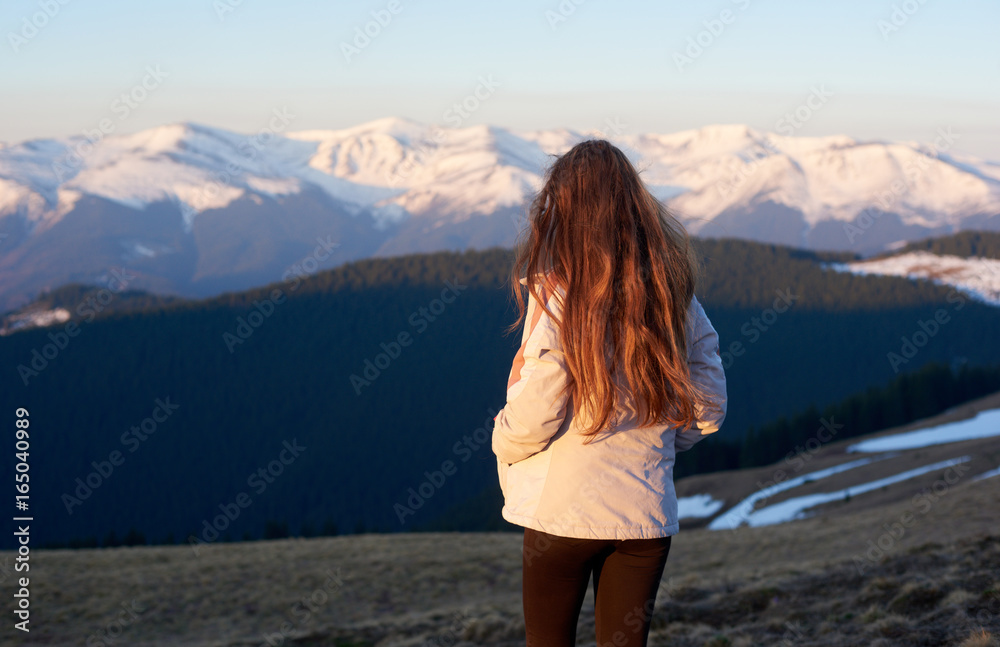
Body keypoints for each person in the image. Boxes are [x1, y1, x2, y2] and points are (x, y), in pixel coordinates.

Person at [491, 139, 727, 647]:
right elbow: (709, 406)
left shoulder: (559, 295)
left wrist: (503, 443)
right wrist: (662, 441)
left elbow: (538, 411)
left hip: (562, 516)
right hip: (645, 513)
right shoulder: (673, 296)